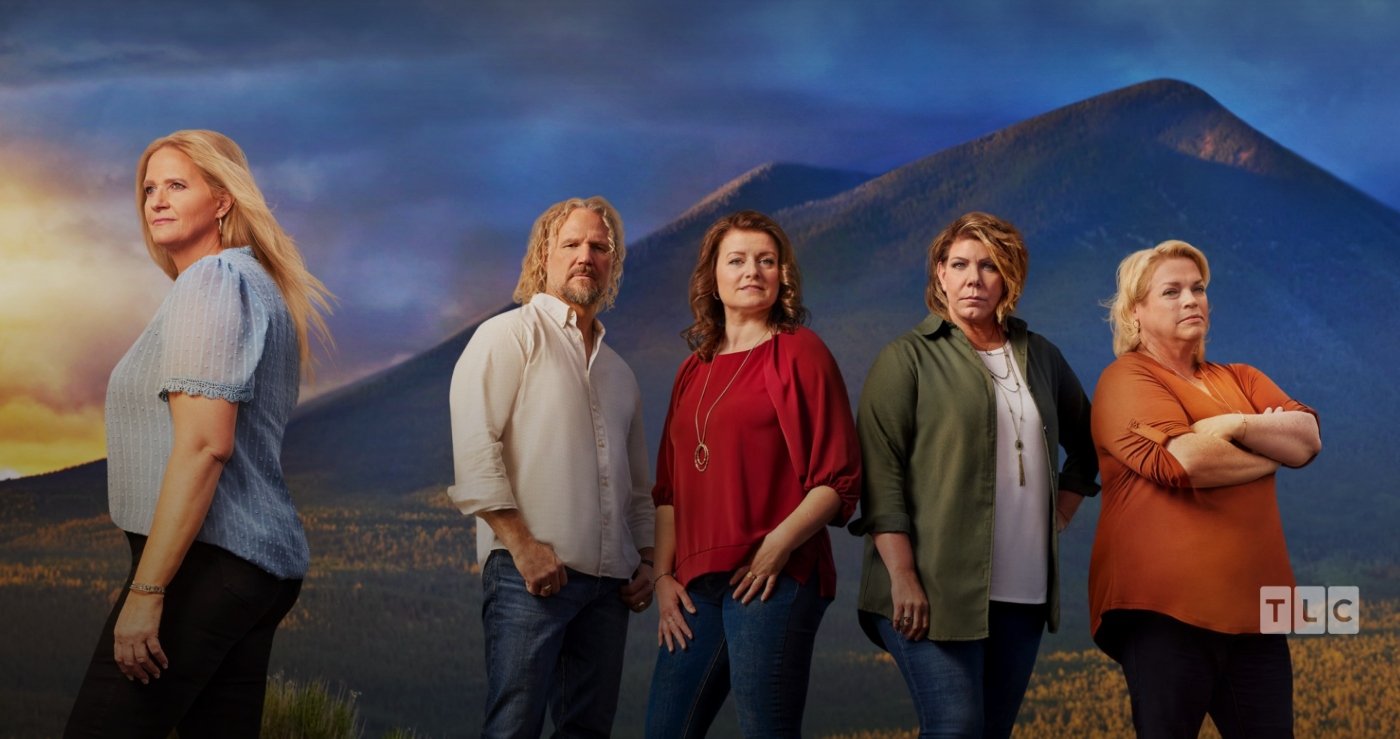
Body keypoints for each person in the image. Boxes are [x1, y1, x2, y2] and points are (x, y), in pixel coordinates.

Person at [64, 130, 334, 738]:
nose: (155, 200)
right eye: (149, 189)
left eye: (177, 185)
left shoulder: (213, 283)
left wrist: (148, 588)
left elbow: (205, 445)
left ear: (222, 201)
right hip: (251, 568)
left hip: (203, 565)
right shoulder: (252, 283)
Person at [851, 211, 1099, 737]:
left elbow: (1090, 443)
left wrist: (1061, 511)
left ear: (1008, 277)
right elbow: (881, 477)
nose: (973, 278)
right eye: (959, 264)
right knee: (955, 726)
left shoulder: (1041, 357)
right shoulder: (908, 358)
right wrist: (903, 577)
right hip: (931, 588)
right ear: (939, 272)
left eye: (989, 266)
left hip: (1023, 591)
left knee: (987, 732)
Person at [1089, 240, 1321, 738]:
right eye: (1170, 292)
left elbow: (1306, 441)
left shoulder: (1241, 377)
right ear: (1135, 313)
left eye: (1198, 289)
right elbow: (1185, 461)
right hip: (1165, 611)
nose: (1191, 300)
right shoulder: (1125, 378)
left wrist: (1233, 423)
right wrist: (1267, 446)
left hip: (1256, 610)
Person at [646, 210, 860, 738]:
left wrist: (777, 546)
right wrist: (663, 577)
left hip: (773, 577)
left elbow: (838, 478)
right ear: (711, 277)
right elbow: (669, 489)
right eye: (737, 260)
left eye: (767, 260)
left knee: (767, 731)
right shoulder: (692, 369)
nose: (752, 271)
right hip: (697, 586)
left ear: (782, 275)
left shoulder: (799, 354)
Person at [448, 196, 655, 738]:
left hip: (610, 590)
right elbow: (474, 449)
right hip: (528, 578)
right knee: (513, 729)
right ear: (544, 256)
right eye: (571, 244)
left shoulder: (620, 373)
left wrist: (647, 560)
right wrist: (522, 546)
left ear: (613, 262)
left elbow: (637, 488)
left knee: (588, 732)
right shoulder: (507, 336)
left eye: (599, 247)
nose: (586, 255)